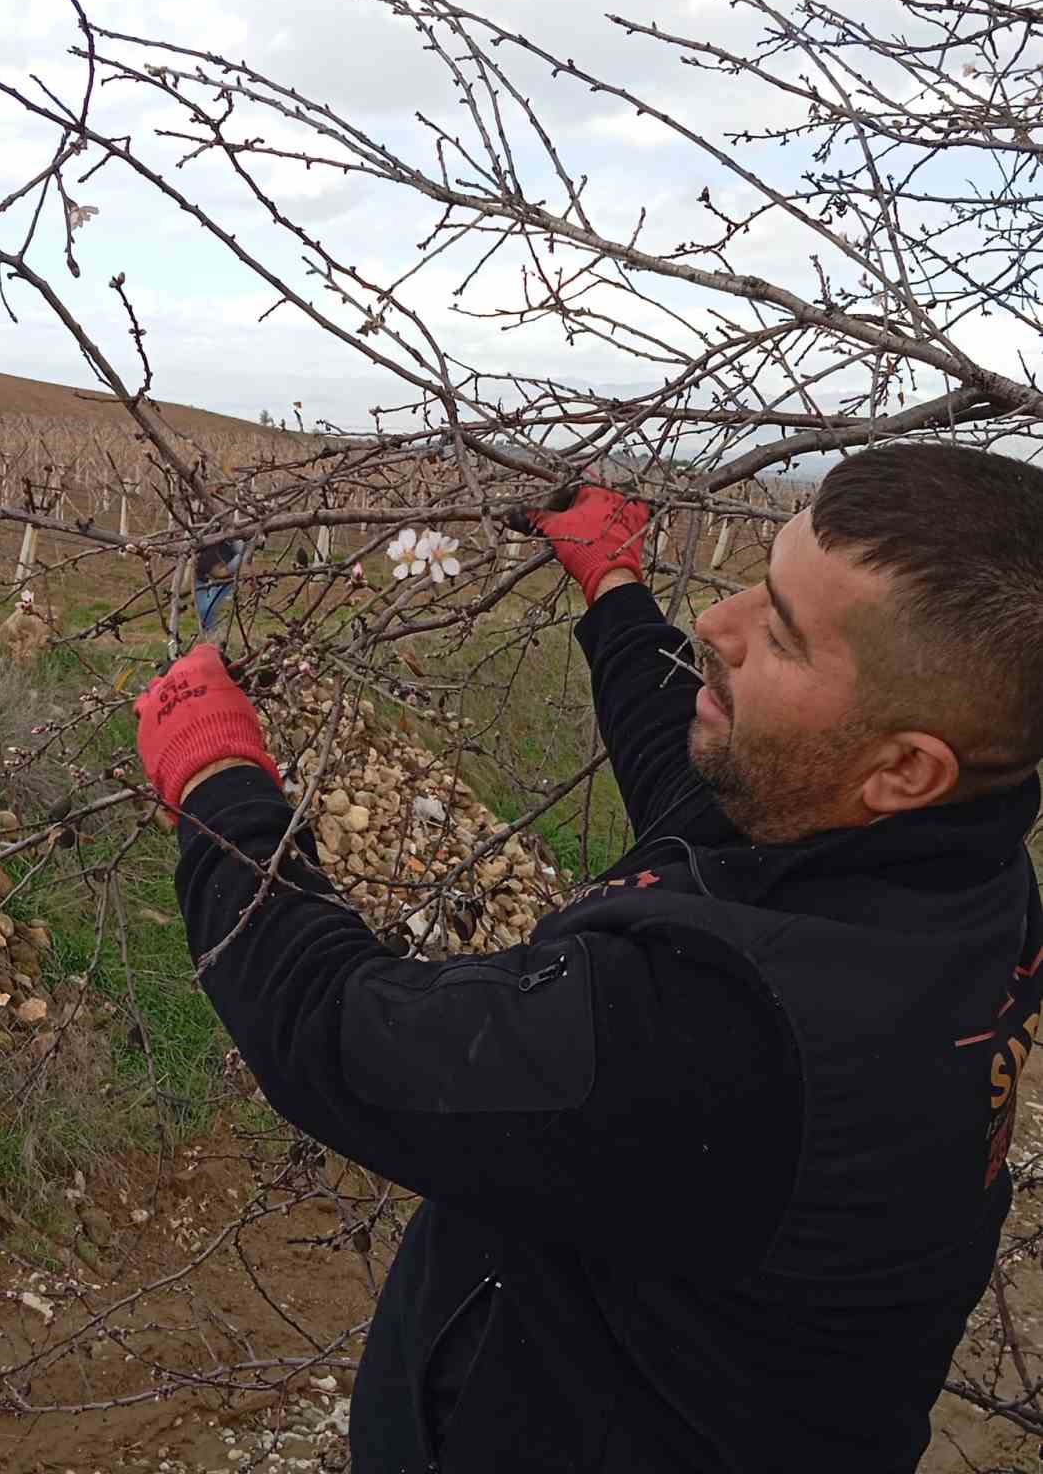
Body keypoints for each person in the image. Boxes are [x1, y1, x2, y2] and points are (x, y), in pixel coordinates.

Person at [134, 442, 1043, 1474]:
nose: (719, 623)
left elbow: (333, 1030)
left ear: (904, 768)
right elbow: (693, 781)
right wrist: (611, 584)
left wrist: (216, 783)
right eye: (760, 578)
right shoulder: (955, 874)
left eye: (781, 636)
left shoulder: (716, 1034)